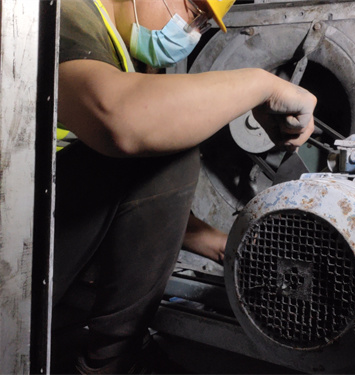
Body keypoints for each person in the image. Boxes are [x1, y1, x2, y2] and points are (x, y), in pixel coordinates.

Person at [54, 0, 316, 373]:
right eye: (194, 11)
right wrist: (260, 84)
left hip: (48, 235)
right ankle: (111, 362)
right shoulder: (61, 12)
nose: (191, 33)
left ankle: (118, 354)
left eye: (202, 24)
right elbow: (120, 121)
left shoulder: (120, 56)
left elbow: (115, 183)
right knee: (165, 147)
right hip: (18, 247)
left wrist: (212, 240)